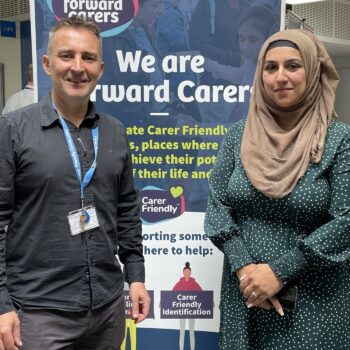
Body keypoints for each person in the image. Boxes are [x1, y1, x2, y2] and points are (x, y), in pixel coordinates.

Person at [0, 15, 150, 350]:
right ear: (47, 64)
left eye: (88, 57)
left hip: (107, 308)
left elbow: (127, 208)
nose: (77, 67)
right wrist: (1, 305)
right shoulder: (12, 130)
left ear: (101, 68)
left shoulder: (114, 131)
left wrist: (135, 276)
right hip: (39, 313)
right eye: (66, 56)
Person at [204, 29, 350, 349]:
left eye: (293, 66)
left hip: (315, 302)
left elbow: (346, 221)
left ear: (312, 72)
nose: (280, 77)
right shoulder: (237, 136)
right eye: (271, 68)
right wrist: (246, 270)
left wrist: (279, 272)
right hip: (247, 295)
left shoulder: (340, 140)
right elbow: (217, 205)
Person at [172, 262, 202, 350]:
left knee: (191, 331)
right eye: (185, 272)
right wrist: (162, 302)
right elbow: (171, 294)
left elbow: (202, 294)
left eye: (188, 272)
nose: (187, 273)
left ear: (190, 273)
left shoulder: (195, 284)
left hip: (192, 311)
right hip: (182, 311)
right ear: (183, 273)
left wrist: (210, 302)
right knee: (182, 331)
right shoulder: (179, 284)